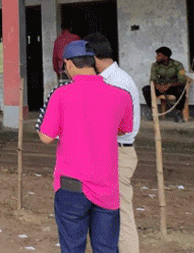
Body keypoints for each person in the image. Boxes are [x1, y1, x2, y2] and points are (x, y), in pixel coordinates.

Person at [36, 40, 133, 253]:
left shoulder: (61, 94)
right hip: (107, 185)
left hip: (72, 185)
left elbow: (46, 137)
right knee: (107, 247)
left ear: (69, 64)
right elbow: (124, 129)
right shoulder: (121, 96)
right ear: (94, 63)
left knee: (72, 247)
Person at [85, 33, 141, 253]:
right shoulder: (111, 78)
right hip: (108, 152)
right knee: (105, 212)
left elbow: (114, 125)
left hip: (117, 153)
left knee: (121, 213)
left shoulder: (115, 82)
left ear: (93, 56)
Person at [142, 46, 187, 122]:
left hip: (172, 87)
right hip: (160, 88)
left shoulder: (178, 65)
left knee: (182, 90)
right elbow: (152, 80)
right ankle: (153, 111)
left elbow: (182, 80)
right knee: (146, 89)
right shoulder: (155, 65)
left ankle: (179, 112)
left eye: (159, 55)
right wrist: (158, 86)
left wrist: (169, 85)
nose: (156, 57)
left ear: (165, 57)